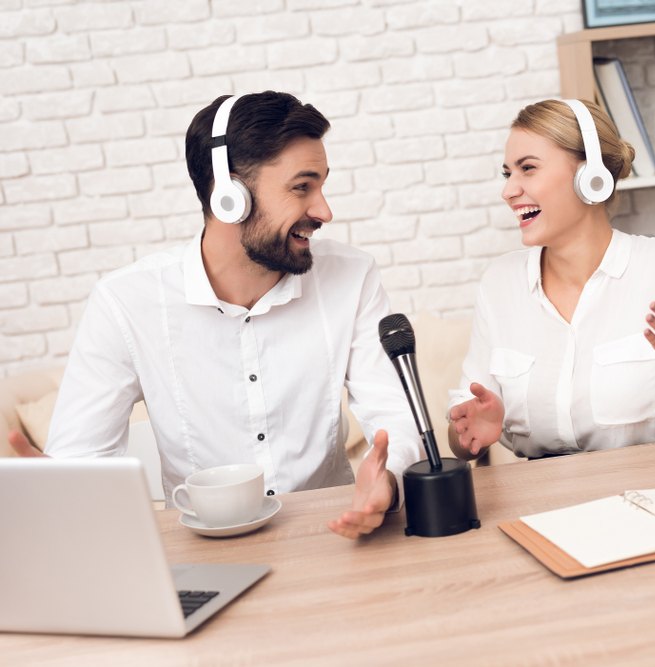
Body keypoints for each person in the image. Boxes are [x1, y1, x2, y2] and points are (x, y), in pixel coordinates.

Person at [6, 91, 421, 539]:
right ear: (230, 196)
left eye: (321, 185)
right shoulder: (126, 302)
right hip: (201, 556)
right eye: (302, 187)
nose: (324, 210)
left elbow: (395, 418)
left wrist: (390, 481)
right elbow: (79, 464)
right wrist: (62, 493)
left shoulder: (352, 277)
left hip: (334, 539)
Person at [447, 99, 655, 461]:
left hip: (648, 494)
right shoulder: (500, 284)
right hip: (541, 502)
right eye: (507, 174)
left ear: (590, 176)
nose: (508, 191)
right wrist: (470, 432)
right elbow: (462, 431)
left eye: (527, 169)